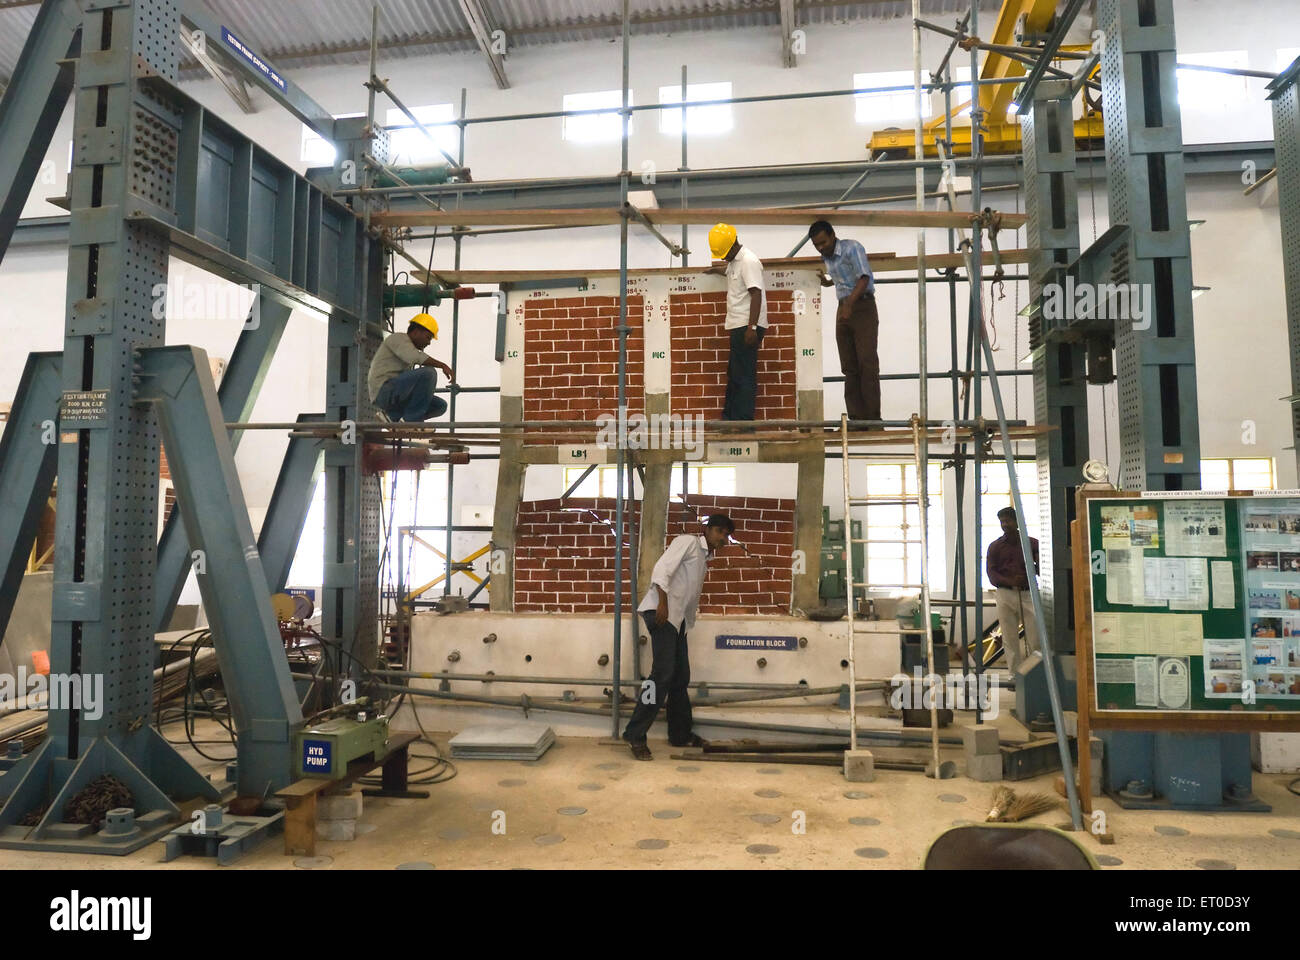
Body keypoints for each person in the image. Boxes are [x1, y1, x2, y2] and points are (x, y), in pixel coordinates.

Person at [622, 514, 735, 760]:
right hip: (662, 614)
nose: (724, 539)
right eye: (721, 533)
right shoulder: (688, 542)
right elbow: (662, 570)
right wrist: (662, 604)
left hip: (677, 621)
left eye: (726, 535)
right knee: (660, 676)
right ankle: (635, 734)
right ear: (709, 529)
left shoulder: (704, 557)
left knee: (679, 676)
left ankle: (680, 734)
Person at [808, 220, 880, 422]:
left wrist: (850, 304)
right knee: (849, 366)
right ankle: (856, 419)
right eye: (816, 245)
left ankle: (873, 420)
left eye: (823, 242)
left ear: (832, 235)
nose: (821, 248)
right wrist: (827, 282)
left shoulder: (852, 248)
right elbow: (843, 280)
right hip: (844, 308)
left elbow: (864, 278)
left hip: (862, 307)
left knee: (867, 362)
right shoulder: (827, 256)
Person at [703, 223, 767, 420]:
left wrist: (752, 328)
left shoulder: (749, 261)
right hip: (739, 325)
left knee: (744, 376)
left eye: (724, 254)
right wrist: (716, 271)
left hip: (747, 327)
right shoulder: (735, 262)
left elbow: (756, 294)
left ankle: (743, 421)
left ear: (733, 245)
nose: (723, 258)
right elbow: (733, 274)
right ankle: (730, 418)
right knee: (735, 374)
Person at [367, 313, 455, 422]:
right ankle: (411, 421)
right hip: (384, 391)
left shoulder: (406, 347)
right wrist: (442, 365)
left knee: (440, 406)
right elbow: (414, 357)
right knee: (429, 373)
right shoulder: (398, 338)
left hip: (395, 392)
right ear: (416, 332)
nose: (428, 343)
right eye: (428, 337)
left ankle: (395, 419)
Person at [986, 506, 1041, 673]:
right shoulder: (995, 547)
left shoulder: (1031, 544)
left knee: (1035, 637)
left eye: (1008, 521)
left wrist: (1031, 570)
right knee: (1009, 638)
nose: (1005, 524)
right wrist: (1009, 580)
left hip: (1027, 593)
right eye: (1002, 521)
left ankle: (1034, 674)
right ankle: (1014, 675)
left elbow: (1042, 568)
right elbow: (991, 573)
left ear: (1017, 522)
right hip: (1005, 594)